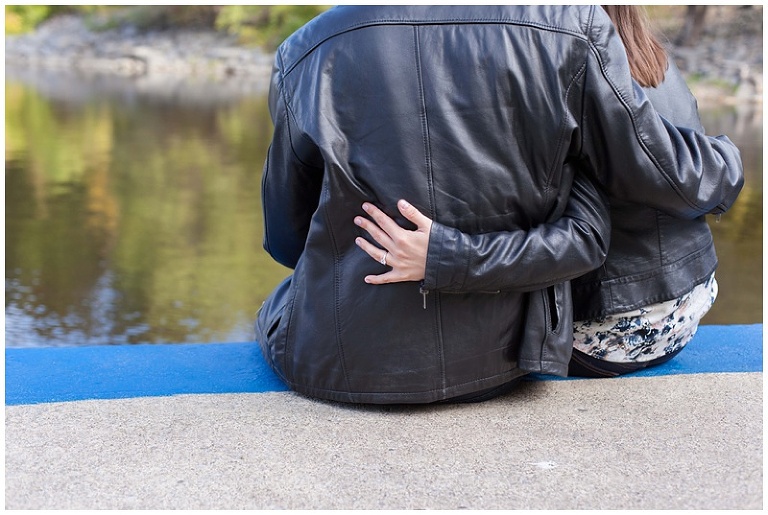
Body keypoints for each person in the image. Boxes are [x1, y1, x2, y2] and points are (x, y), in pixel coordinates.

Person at [255, 6, 743, 404]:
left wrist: (433, 254)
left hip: (337, 364)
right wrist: (726, 160)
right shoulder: (561, 32)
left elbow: (286, 238)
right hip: (502, 357)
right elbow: (636, 196)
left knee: (288, 296)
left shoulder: (305, 51)